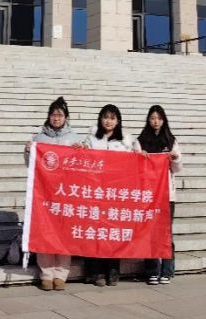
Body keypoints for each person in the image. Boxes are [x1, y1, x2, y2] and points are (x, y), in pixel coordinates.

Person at [24, 96, 79, 291]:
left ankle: (61, 274)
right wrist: (28, 151)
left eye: (60, 115)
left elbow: (82, 165)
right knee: (45, 233)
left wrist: (81, 151)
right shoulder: (39, 138)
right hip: (45, 193)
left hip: (67, 193)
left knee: (64, 234)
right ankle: (46, 274)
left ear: (66, 118)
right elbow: (31, 166)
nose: (56, 118)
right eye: (53, 115)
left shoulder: (75, 138)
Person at [80, 104, 133, 286]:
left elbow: (132, 165)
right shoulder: (92, 139)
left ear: (118, 121)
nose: (108, 121)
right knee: (94, 232)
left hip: (115, 194)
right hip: (95, 192)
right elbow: (82, 160)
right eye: (105, 117)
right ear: (100, 119)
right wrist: (78, 149)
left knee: (112, 232)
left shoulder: (125, 142)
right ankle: (95, 272)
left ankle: (112, 270)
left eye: (112, 118)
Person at [134, 105, 183, 285]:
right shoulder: (140, 141)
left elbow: (177, 168)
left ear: (164, 120)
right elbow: (134, 168)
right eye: (153, 118)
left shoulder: (171, 140)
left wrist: (175, 158)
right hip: (148, 195)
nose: (156, 122)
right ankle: (152, 270)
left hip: (166, 195)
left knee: (166, 233)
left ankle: (167, 270)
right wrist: (139, 157)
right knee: (149, 233)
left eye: (159, 118)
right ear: (148, 120)